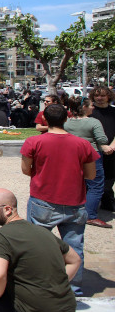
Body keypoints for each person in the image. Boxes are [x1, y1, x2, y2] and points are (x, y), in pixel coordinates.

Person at [21, 103, 97, 296]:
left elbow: (25, 169)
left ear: (44, 120)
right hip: (75, 201)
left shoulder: (34, 142)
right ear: (67, 118)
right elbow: (90, 175)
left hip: (43, 198)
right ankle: (73, 288)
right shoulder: (82, 144)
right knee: (75, 247)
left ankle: (37, 284)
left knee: (37, 245)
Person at [64, 96, 113, 229]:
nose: (93, 107)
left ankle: (74, 210)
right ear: (84, 107)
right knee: (96, 185)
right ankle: (90, 216)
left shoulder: (67, 122)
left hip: (73, 156)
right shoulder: (93, 122)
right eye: (91, 105)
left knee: (78, 183)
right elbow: (102, 139)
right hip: (92, 155)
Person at [90, 86, 115, 212]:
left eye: (103, 96)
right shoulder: (90, 113)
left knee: (109, 178)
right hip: (95, 151)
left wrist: (112, 146)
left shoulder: (113, 112)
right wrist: (102, 146)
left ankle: (108, 202)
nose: (99, 98)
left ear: (108, 96)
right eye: (97, 96)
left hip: (112, 150)